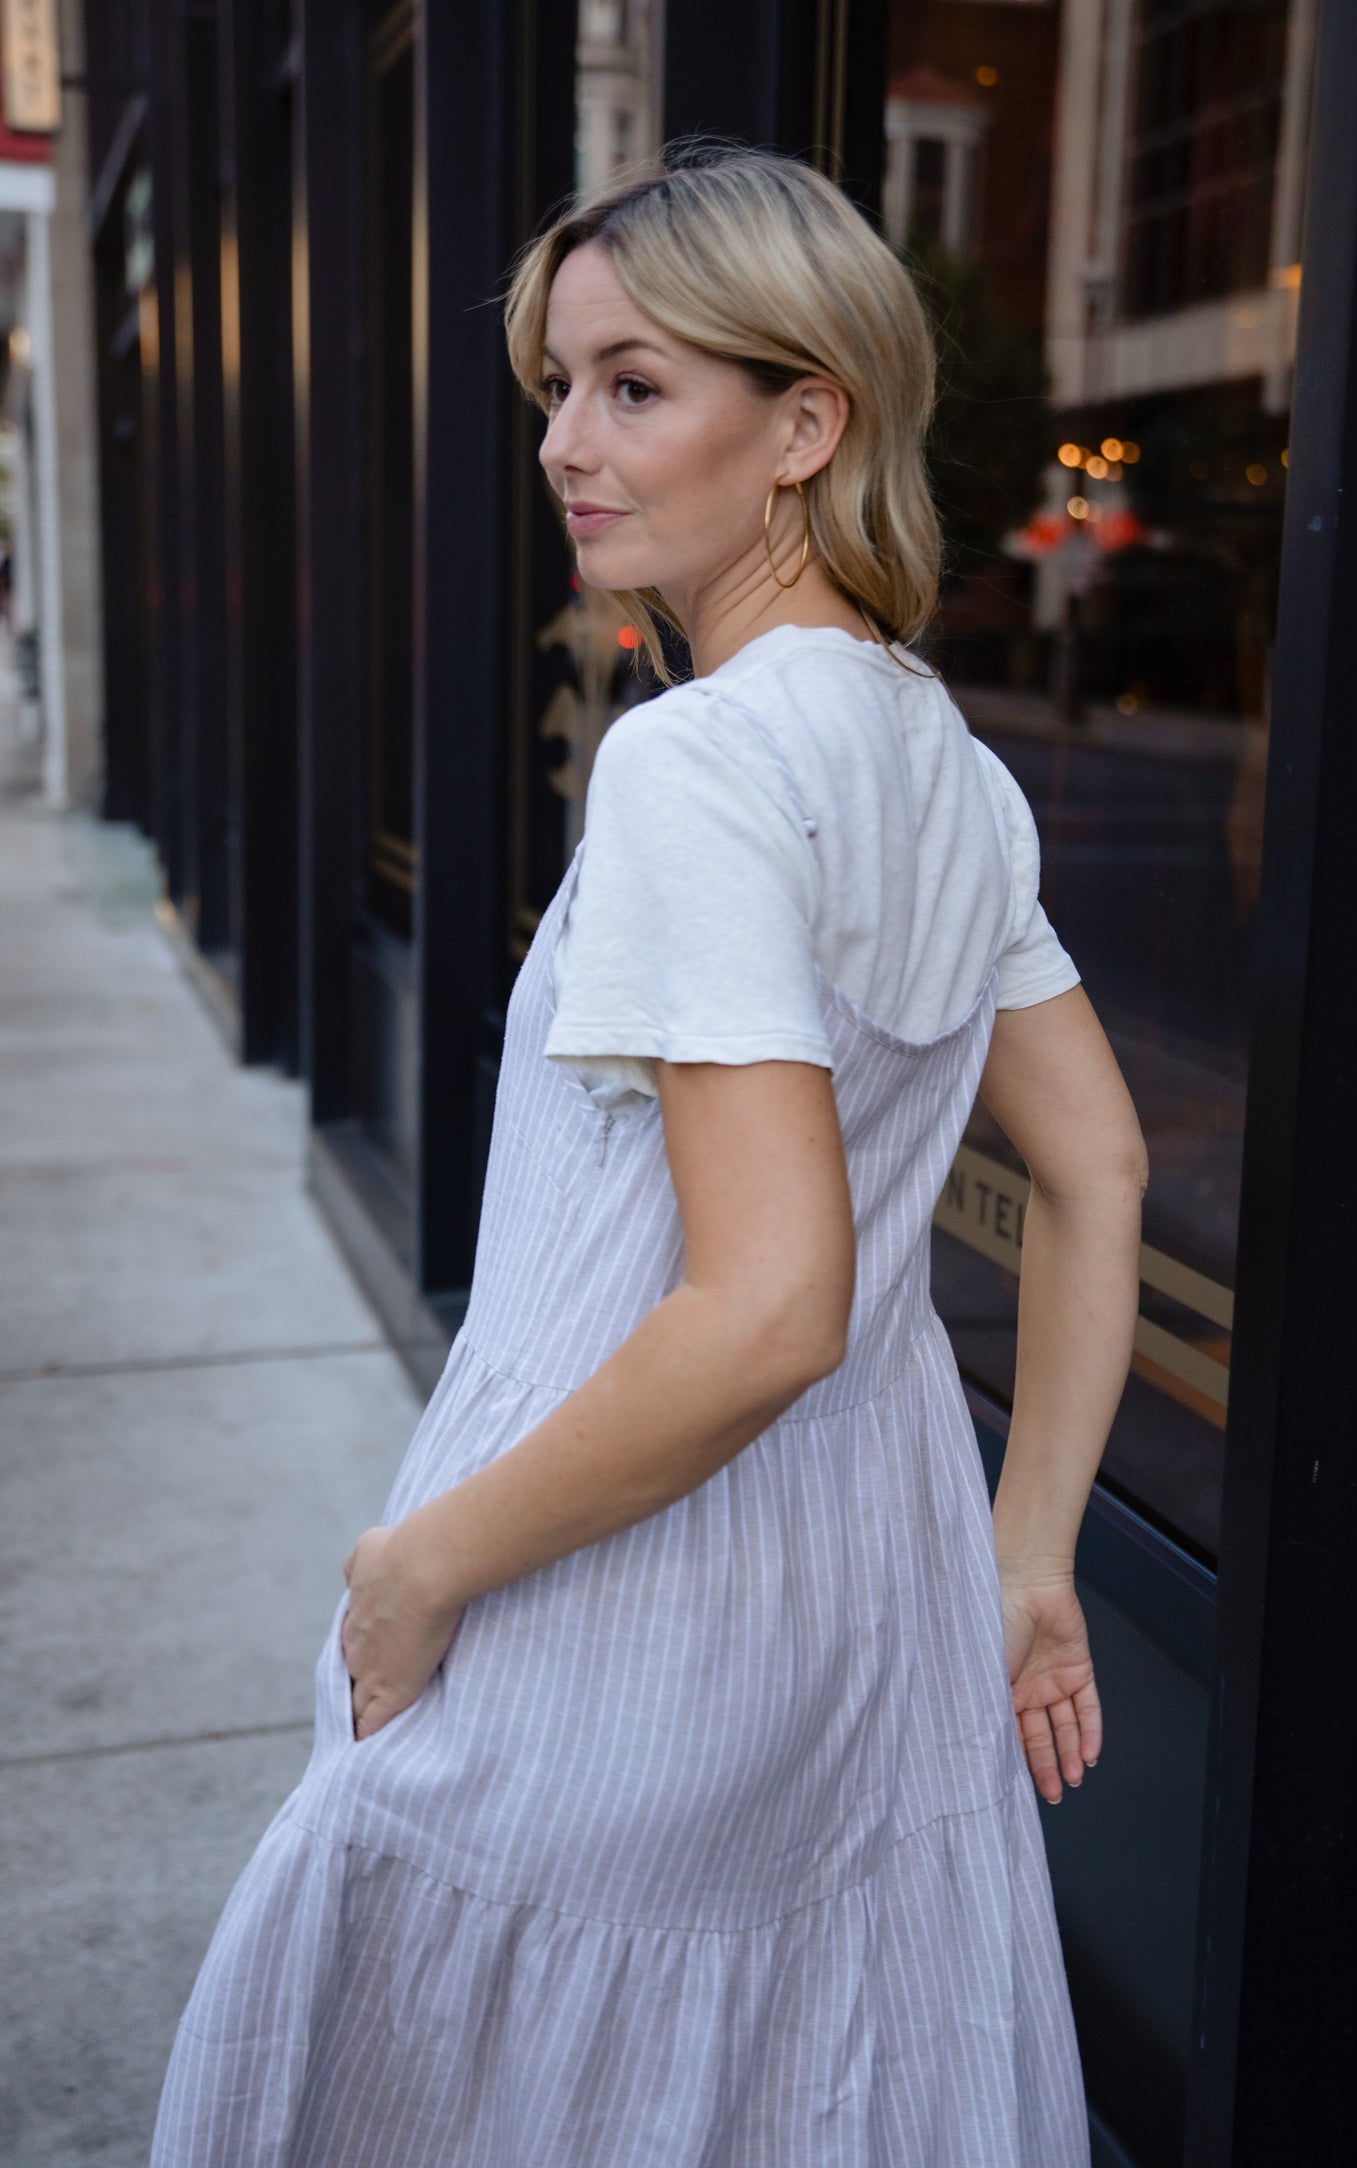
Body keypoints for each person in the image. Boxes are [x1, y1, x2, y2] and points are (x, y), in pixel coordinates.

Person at [152, 143, 1146, 2166]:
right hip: (848, 1618)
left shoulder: (700, 757)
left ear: (805, 423)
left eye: (632, 385)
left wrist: (419, 1566)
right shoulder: (932, 752)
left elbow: (774, 1304)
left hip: (627, 1608)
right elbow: (1104, 1167)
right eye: (556, 388)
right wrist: (1026, 1549)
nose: (566, 445)